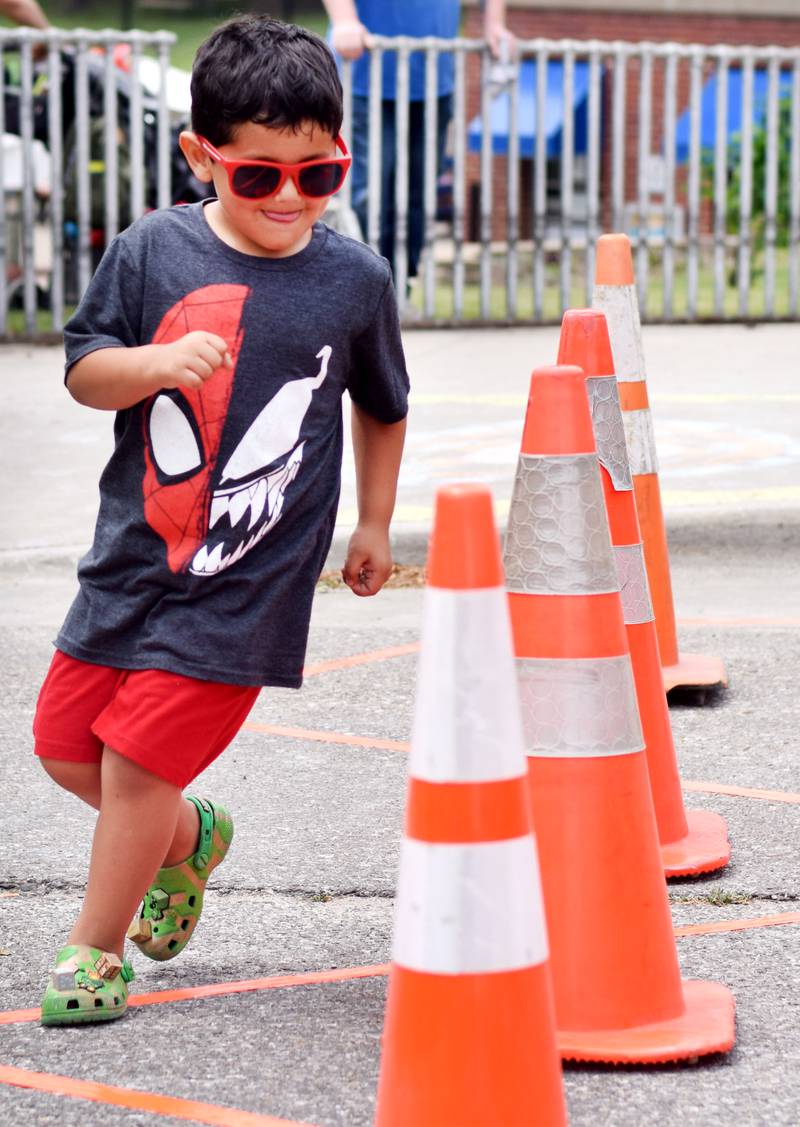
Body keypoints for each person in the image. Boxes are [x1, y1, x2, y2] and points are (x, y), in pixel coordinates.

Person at [33, 14, 409, 1026]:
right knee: (66, 745)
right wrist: (150, 365)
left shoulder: (351, 279)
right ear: (202, 156)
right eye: (258, 175)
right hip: (133, 553)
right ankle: (190, 836)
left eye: (315, 173)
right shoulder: (151, 251)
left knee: (137, 760)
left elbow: (382, 404)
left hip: (249, 579)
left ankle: (93, 951)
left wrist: (373, 523)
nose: (290, 197)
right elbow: (83, 369)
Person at [323, 0, 513, 286]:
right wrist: (344, 19)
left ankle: (399, 290)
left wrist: (494, 23)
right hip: (366, 73)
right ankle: (358, 290)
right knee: (368, 195)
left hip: (435, 77)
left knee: (420, 197)